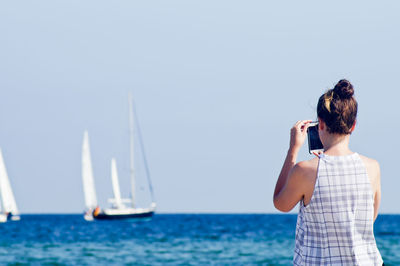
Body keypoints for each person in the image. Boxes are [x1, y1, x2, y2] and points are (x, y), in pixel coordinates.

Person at [273, 80, 383, 265]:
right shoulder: (372, 167)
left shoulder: (305, 170)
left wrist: (292, 150)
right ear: (353, 125)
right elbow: (370, 218)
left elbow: (280, 203)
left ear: (320, 124)